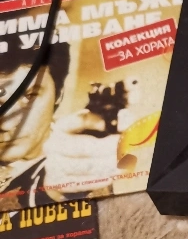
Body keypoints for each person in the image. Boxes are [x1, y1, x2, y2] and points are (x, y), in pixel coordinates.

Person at [0, 30, 122, 210]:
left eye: (30, 97)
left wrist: (49, 195)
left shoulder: (72, 163)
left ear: (58, 95)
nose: (6, 124)